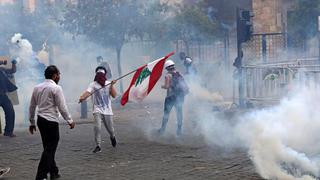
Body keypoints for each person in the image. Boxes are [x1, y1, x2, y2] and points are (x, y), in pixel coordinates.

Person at [29, 65, 75, 180]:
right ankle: (41, 175)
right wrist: (69, 120)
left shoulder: (37, 87)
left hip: (41, 120)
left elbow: (32, 106)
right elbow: (62, 106)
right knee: (50, 149)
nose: (59, 77)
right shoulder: (56, 88)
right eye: (58, 74)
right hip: (51, 121)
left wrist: (32, 122)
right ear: (55, 75)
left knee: (47, 147)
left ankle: (54, 171)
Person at [79, 66, 117, 153]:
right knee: (97, 127)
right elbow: (88, 92)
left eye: (102, 75)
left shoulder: (108, 83)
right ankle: (98, 145)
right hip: (97, 110)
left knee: (110, 129)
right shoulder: (93, 84)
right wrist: (82, 97)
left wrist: (112, 85)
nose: (100, 77)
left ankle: (112, 136)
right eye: (98, 74)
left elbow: (114, 95)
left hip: (107, 111)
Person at [159, 60, 188, 136]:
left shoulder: (168, 75)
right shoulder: (179, 74)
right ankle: (179, 131)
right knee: (179, 113)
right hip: (179, 97)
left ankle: (162, 130)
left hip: (170, 98)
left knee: (166, 114)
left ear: (167, 68)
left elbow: (167, 86)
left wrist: (162, 86)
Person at [0, 59, 17, 137]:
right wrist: (3, 62)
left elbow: (13, 71)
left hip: (3, 95)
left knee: (10, 111)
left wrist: (14, 63)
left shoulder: (1, 69)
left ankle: (8, 131)